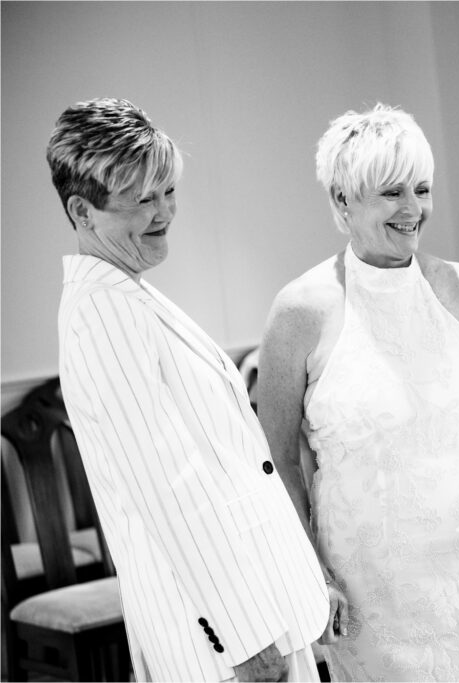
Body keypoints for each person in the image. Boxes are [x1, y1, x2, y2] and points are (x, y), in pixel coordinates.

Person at [258, 104, 459, 682]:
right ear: (342, 200)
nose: (413, 210)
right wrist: (311, 574)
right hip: (370, 589)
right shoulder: (299, 311)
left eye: (422, 189)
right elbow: (277, 461)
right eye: (390, 193)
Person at [51, 98, 329, 681]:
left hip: (253, 601)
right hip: (221, 636)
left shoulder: (127, 292)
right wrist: (244, 637)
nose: (163, 213)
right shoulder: (104, 312)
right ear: (82, 210)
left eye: (167, 192)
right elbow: (169, 487)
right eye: (141, 199)